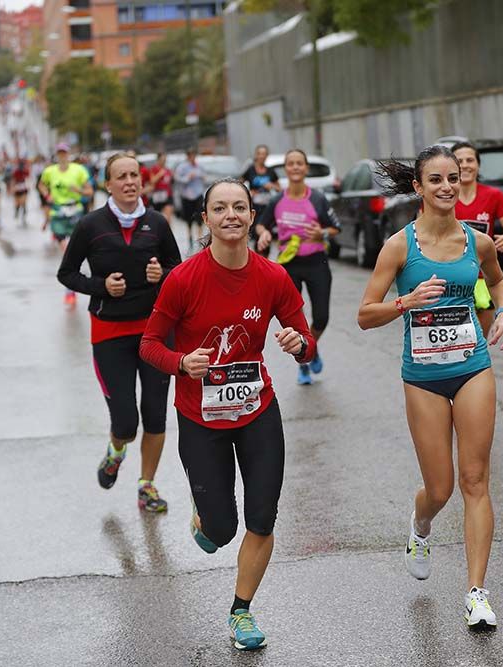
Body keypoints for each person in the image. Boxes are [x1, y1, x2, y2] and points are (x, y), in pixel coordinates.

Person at [139, 177, 317, 651]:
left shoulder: (272, 276)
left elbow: (306, 340)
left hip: (257, 411)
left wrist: (299, 344)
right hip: (200, 418)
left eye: (239, 207)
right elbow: (149, 344)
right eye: (220, 208)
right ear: (206, 219)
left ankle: (241, 611)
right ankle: (206, 517)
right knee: (221, 530)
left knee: (262, 517)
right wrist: (182, 363)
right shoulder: (184, 279)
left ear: (252, 216)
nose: (231, 215)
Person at [357, 145, 503, 629]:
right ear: (418, 187)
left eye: (453, 178)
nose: (447, 186)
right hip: (424, 377)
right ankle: (420, 524)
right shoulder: (399, 247)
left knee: (475, 480)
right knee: (441, 488)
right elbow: (365, 315)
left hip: (472, 366)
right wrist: (405, 301)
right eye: (436, 180)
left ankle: (477, 593)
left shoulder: (478, 242)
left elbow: (498, 282)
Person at [57, 153, 182, 512]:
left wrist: (163, 276)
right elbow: (67, 273)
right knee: (126, 423)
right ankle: (115, 452)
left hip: (155, 333)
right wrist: (101, 286)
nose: (129, 182)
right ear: (107, 184)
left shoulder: (157, 223)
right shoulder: (91, 225)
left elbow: (177, 269)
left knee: (155, 414)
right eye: (121, 176)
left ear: (141, 181)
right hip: (110, 333)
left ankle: (147, 486)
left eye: (134, 175)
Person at [253, 149, 340, 385]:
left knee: (321, 318)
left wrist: (321, 233)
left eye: (299, 163)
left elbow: (335, 228)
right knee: (295, 323)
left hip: (317, 262)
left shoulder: (317, 198)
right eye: (290, 163)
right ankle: (303, 362)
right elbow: (261, 225)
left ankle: (313, 347)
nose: (295, 167)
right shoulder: (277, 200)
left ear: (306, 168)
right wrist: (264, 234)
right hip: (288, 266)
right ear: (286, 169)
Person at [451, 141, 503, 336]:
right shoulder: (442, 195)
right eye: (459, 161)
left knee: (478, 340)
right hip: (450, 278)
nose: (465, 165)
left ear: (478, 165)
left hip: (482, 278)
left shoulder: (493, 195)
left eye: (470, 160)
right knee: (455, 339)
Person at [39, 143, 93, 306]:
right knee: (66, 249)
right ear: (57, 155)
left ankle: (71, 284)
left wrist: (79, 191)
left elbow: (90, 191)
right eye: (59, 153)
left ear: (68, 154)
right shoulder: (50, 171)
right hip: (58, 213)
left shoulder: (79, 170)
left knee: (74, 250)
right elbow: (41, 184)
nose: (62, 156)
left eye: (64, 153)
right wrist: (47, 195)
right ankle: (70, 289)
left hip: (75, 212)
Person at [242, 145, 281, 256]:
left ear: (267, 156)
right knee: (256, 234)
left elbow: (279, 188)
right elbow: (239, 184)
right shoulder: (250, 170)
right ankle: (258, 257)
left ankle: (265, 259)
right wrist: (249, 192)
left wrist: (272, 185)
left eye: (264, 154)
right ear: (256, 155)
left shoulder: (271, 171)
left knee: (267, 233)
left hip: (267, 207)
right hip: (255, 207)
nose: (262, 156)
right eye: (260, 154)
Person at [173, 148, 206, 249]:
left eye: (194, 155)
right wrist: (187, 178)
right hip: (187, 195)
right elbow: (177, 178)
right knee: (189, 219)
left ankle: (200, 238)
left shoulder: (199, 166)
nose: (193, 158)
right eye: (191, 156)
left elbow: (204, 177)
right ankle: (190, 237)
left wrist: (201, 177)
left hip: (198, 194)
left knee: (200, 217)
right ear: (188, 156)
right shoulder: (182, 167)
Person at [142, 152, 175, 224]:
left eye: (165, 160)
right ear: (158, 160)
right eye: (162, 160)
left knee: (168, 217)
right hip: (157, 195)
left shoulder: (167, 169)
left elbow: (170, 181)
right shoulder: (154, 169)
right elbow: (152, 181)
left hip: (167, 195)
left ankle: (167, 229)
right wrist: (160, 174)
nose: (164, 162)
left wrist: (173, 176)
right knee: (157, 218)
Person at [11, 158, 30, 226]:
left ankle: (24, 217)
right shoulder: (16, 172)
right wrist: (13, 188)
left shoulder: (25, 171)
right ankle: (17, 212)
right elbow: (13, 180)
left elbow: (28, 179)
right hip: (17, 189)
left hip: (23, 188)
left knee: (23, 203)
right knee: (17, 203)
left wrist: (28, 186)